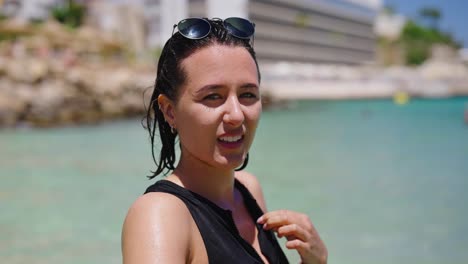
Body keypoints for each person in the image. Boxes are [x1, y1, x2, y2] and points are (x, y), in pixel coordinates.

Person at [122, 17, 327, 264]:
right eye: (213, 97)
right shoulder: (159, 215)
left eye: (248, 94)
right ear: (169, 111)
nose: (237, 114)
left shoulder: (247, 189)